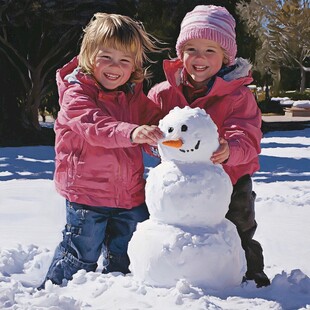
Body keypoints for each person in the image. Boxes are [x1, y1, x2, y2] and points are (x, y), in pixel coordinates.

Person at [148, 5, 270, 288]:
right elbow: (151, 132)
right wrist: (155, 146)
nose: (199, 58)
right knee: (181, 228)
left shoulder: (238, 96)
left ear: (226, 57)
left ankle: (251, 273)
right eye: (191, 49)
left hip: (230, 178)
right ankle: (179, 272)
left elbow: (248, 135)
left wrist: (231, 150)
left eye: (210, 50)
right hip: (181, 181)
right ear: (181, 54)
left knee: (237, 228)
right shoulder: (163, 93)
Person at [39, 12, 164, 289]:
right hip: (87, 195)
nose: (114, 67)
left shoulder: (133, 96)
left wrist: (166, 135)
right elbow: (95, 126)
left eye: (124, 60)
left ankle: (120, 299)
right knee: (80, 256)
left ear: (135, 65)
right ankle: (52, 297)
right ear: (88, 55)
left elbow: (156, 121)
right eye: (105, 56)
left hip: (130, 196)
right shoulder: (77, 94)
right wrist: (132, 132)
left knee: (129, 257)